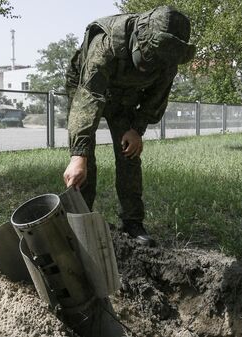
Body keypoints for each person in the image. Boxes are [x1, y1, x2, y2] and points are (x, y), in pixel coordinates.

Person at [63, 6, 195, 246]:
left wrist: (137, 129)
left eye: (158, 63)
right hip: (87, 86)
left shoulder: (169, 58)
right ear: (139, 41)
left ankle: (132, 222)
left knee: (129, 154)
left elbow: (156, 98)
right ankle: (81, 221)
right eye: (148, 58)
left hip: (125, 95)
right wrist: (78, 154)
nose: (151, 67)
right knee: (85, 163)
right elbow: (89, 97)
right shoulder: (106, 44)